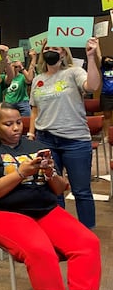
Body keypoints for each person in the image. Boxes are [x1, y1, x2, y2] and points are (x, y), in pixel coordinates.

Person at [0, 102, 100, 290]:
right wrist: (20, 173)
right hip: (3, 213)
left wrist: (50, 173)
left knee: (88, 244)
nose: (16, 128)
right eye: (8, 124)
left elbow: (60, 188)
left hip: (45, 209)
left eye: (19, 122)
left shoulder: (34, 147)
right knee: (41, 251)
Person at [28, 38, 100, 229]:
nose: (50, 51)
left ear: (64, 53)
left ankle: (86, 232)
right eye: (47, 48)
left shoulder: (73, 72)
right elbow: (34, 110)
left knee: (81, 191)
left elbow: (92, 86)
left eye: (55, 48)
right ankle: (60, 231)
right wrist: (30, 134)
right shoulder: (37, 79)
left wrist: (91, 57)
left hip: (75, 141)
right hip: (46, 139)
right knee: (54, 190)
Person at [4, 49, 37, 117]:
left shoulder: (22, 77)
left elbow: (29, 79)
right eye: (13, 67)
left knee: (28, 118)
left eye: (16, 67)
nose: (15, 68)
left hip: (22, 103)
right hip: (9, 103)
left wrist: (21, 67)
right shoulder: (5, 77)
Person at [97, 52, 113, 136]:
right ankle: (107, 135)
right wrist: (97, 44)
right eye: (107, 60)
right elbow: (99, 56)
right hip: (106, 95)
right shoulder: (104, 69)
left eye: (111, 60)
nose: (109, 61)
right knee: (107, 116)